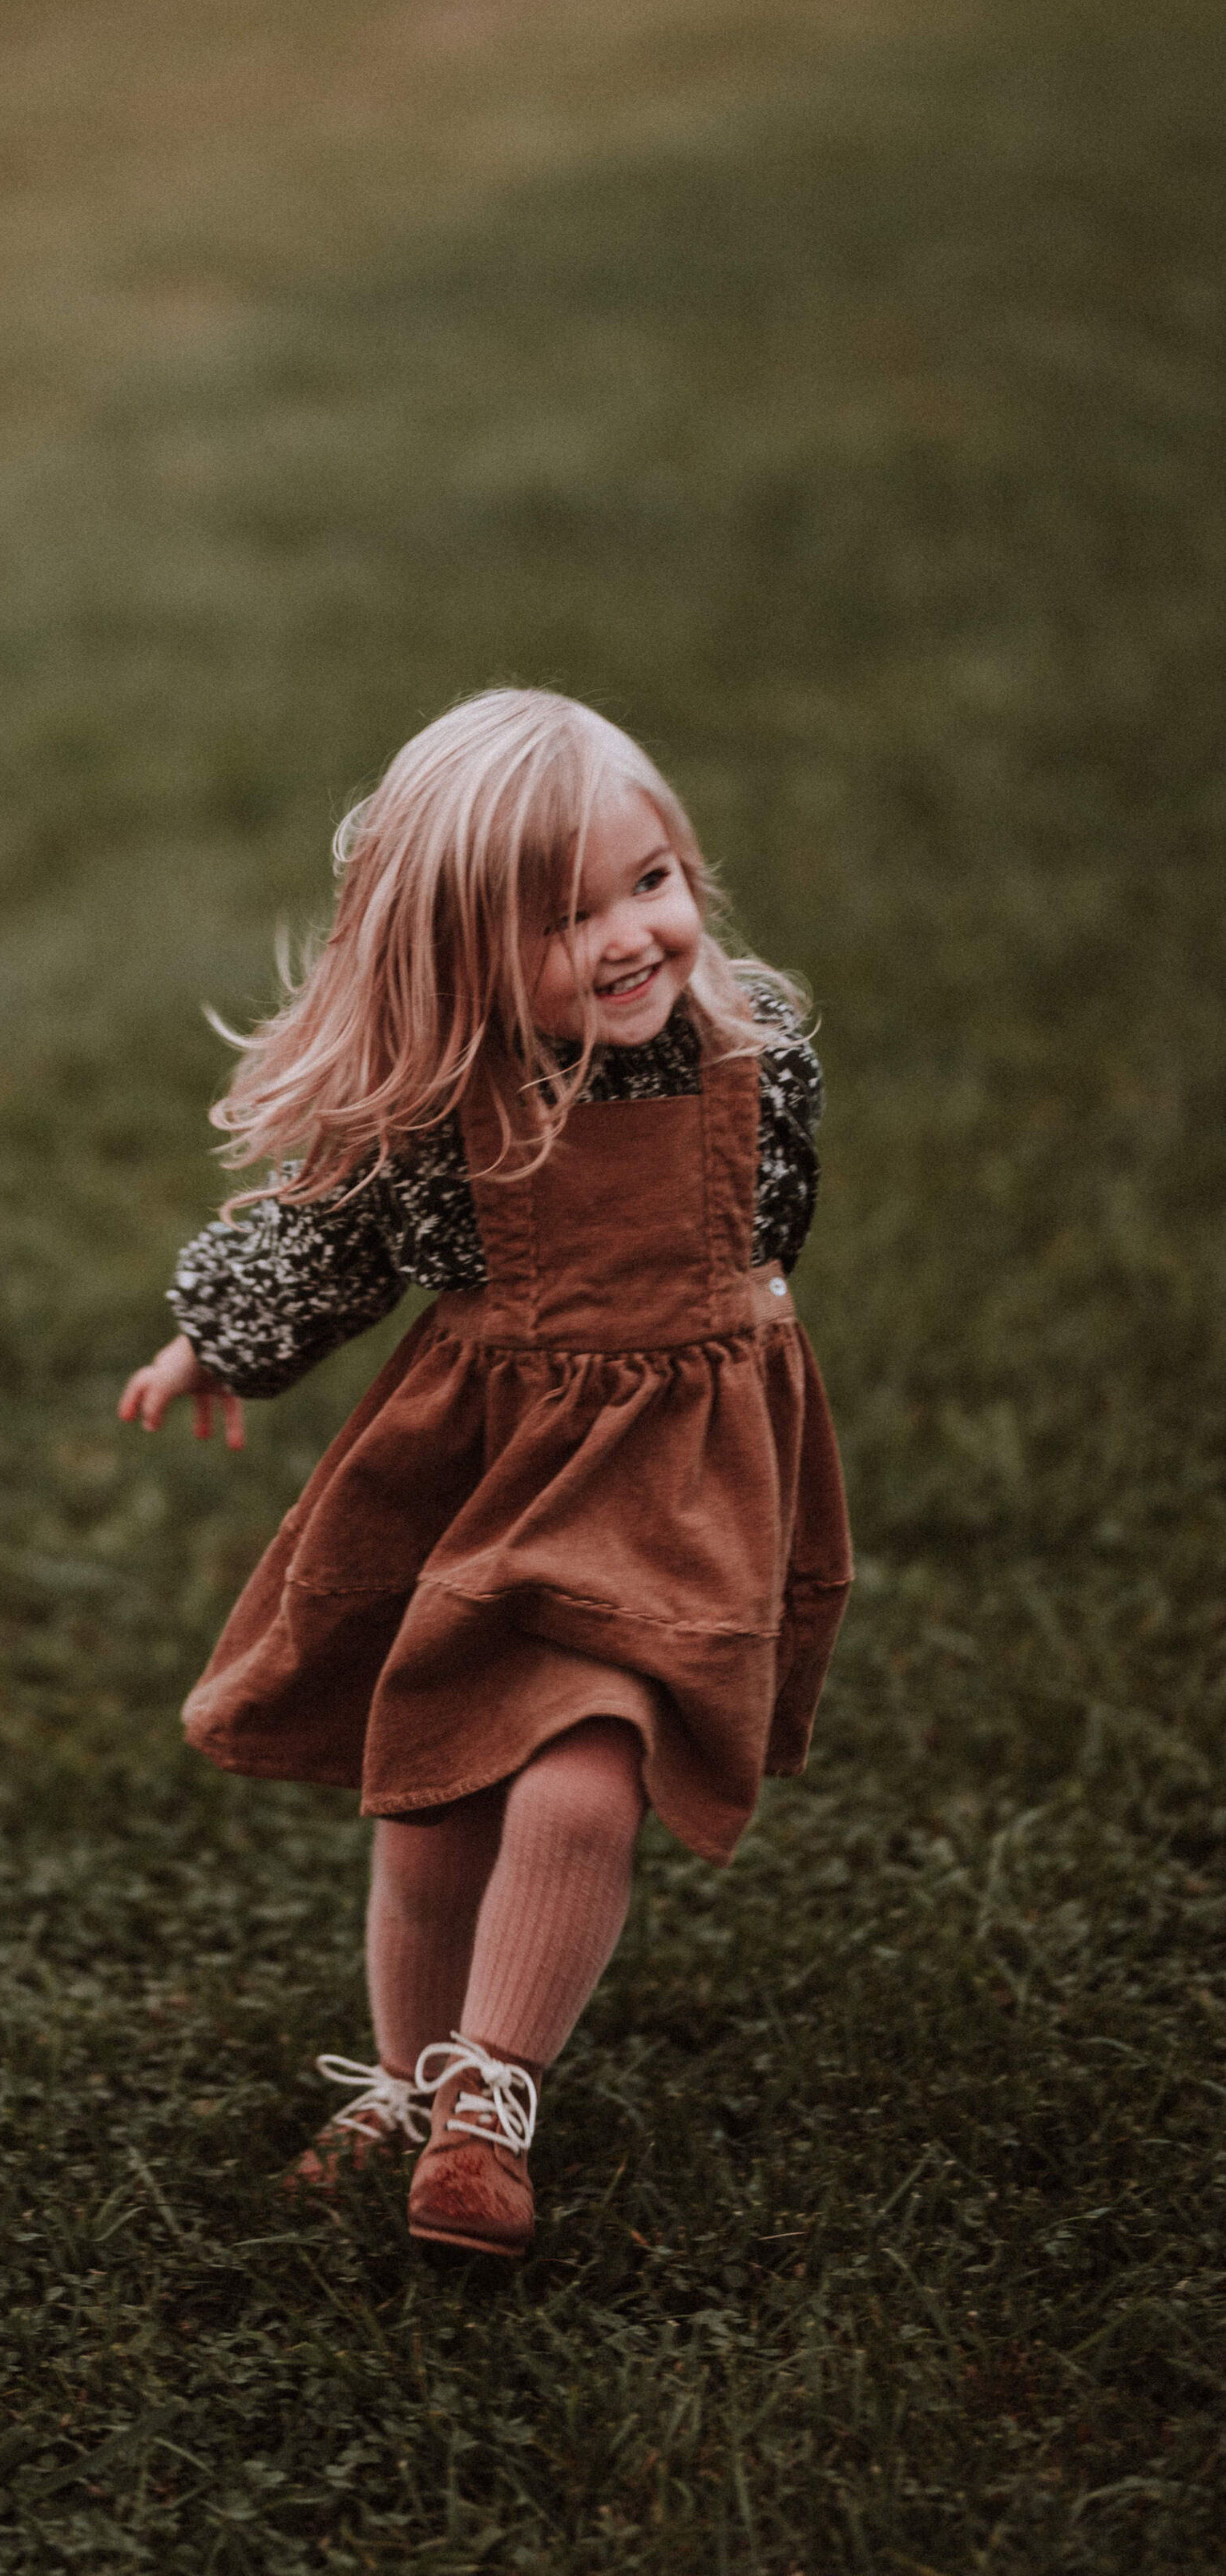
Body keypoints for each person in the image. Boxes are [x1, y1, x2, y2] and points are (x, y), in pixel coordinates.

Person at [119, 688, 852, 2260]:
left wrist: (742, 1346)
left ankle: (487, 2105)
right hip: (481, 1475)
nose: (622, 938)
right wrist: (212, 1340)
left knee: (588, 1768)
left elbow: (763, 1226)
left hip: (669, 1484)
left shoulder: (756, 1061)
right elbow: (323, 1243)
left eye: (644, 883)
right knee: (436, 1802)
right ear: (453, 956)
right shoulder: (447, 1110)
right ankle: (398, 2077)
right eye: (558, 917)